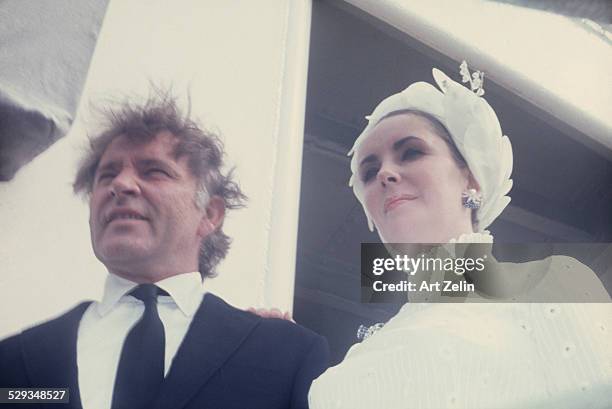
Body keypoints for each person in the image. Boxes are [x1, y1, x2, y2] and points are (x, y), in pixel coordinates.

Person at [308, 62, 612, 408]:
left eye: (411, 152)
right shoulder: (355, 358)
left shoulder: (551, 287)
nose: (386, 173)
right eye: (369, 170)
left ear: (471, 178)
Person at [0, 90, 329, 409]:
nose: (121, 185)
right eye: (107, 174)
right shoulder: (13, 359)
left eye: (153, 171)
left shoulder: (286, 353)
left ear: (210, 214)